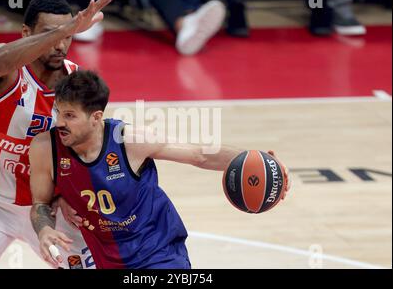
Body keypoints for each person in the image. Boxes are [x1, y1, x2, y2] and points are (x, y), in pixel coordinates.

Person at [29, 70, 291, 269]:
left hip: (158, 249)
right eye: (58, 112)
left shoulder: (130, 140)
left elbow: (199, 155)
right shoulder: (45, 148)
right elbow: (40, 202)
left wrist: (254, 159)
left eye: (70, 116)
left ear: (96, 117)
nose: (59, 122)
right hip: (107, 256)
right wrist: (44, 229)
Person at [0, 0, 113, 269]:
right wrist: (67, 28)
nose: (60, 44)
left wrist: (68, 195)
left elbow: (84, 151)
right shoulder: (2, 71)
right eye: (51, 34)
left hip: (48, 206)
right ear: (26, 32)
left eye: (68, 36)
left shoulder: (76, 83)